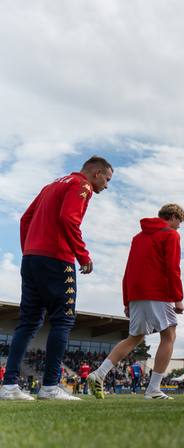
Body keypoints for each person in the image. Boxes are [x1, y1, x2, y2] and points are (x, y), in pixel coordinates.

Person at [0, 156, 113, 402]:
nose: (106, 185)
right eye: (107, 179)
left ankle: (9, 386)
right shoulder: (82, 185)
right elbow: (68, 218)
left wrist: (29, 251)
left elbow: (25, 219)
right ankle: (50, 386)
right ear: (96, 173)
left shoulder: (51, 185)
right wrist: (82, 255)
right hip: (57, 259)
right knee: (63, 320)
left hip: (32, 259)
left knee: (28, 322)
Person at [87, 204, 184, 401]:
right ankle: (153, 389)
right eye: (180, 222)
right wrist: (178, 298)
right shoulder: (171, 234)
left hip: (136, 293)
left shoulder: (138, 237)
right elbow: (173, 267)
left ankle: (99, 373)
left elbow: (129, 269)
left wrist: (127, 300)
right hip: (157, 292)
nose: (179, 226)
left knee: (135, 337)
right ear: (173, 217)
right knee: (169, 335)